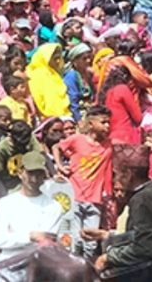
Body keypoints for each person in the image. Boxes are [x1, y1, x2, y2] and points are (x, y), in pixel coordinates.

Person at [56, 106, 113, 260]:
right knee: (76, 239)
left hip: (95, 199)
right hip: (75, 194)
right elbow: (57, 147)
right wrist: (60, 166)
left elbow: (108, 169)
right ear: (91, 124)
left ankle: (87, 269)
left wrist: (108, 193)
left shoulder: (108, 146)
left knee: (91, 243)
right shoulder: (77, 140)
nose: (107, 126)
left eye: (109, 123)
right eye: (103, 122)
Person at [0, 151, 62, 261]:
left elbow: (46, 241)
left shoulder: (53, 206)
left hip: (38, 264)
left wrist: (15, 236)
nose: (34, 179)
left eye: (38, 174)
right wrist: (31, 236)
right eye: (30, 173)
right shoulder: (5, 204)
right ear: (20, 173)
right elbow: (0, 240)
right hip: (8, 264)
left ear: (44, 175)